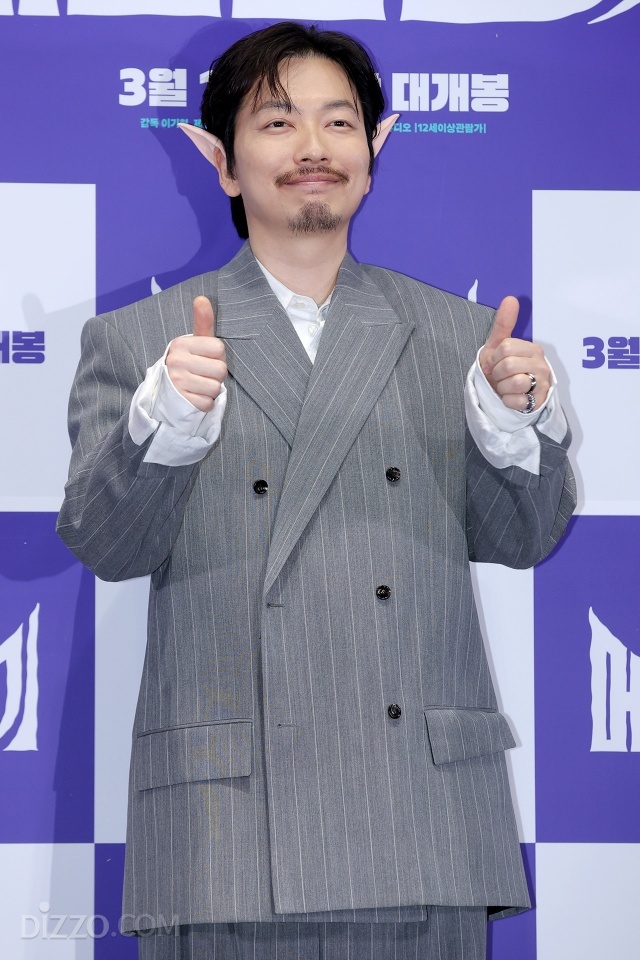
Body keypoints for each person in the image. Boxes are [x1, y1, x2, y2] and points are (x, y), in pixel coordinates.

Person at [57, 21, 575, 960]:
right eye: (277, 121)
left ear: (374, 152)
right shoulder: (141, 342)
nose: (311, 147)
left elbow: (525, 538)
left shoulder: (463, 339)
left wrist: (516, 423)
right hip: (226, 827)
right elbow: (107, 545)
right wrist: (162, 427)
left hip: (421, 819)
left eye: (338, 122)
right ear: (221, 161)